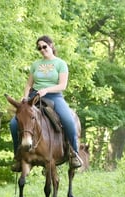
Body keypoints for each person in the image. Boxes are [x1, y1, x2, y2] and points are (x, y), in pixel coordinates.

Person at [9, 35, 83, 171]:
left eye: (44, 46)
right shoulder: (35, 64)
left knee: (68, 121)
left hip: (55, 96)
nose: (42, 50)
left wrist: (47, 90)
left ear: (51, 46)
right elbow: (28, 84)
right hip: (34, 97)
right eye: (39, 48)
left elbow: (63, 85)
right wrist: (25, 98)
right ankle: (18, 156)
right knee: (13, 124)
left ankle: (74, 154)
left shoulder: (60, 64)